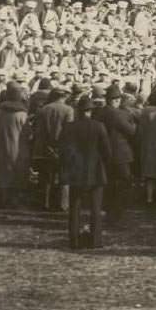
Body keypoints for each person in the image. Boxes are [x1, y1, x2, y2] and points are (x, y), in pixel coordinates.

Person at [59, 95, 112, 250]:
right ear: (90, 111)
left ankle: (74, 240)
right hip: (95, 170)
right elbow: (107, 152)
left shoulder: (69, 127)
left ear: (77, 110)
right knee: (96, 208)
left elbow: (63, 151)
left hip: (76, 171)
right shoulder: (99, 126)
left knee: (75, 208)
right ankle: (96, 241)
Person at [93, 84, 137, 224]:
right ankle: (116, 213)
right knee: (123, 183)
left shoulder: (98, 112)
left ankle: (107, 210)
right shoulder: (117, 114)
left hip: (103, 153)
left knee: (109, 183)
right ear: (117, 100)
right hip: (120, 153)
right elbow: (131, 131)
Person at [33, 87, 74, 210]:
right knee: (63, 176)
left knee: (46, 177)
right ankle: (63, 204)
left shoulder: (43, 110)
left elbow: (39, 131)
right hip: (62, 147)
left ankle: (45, 203)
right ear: (64, 96)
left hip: (46, 147)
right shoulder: (68, 110)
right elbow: (69, 130)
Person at [0, 84, 29, 208]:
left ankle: (2, 199)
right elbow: (27, 132)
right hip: (18, 146)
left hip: (3, 144)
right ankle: (15, 200)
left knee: (3, 172)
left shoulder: (1, 110)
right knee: (17, 173)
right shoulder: (22, 113)